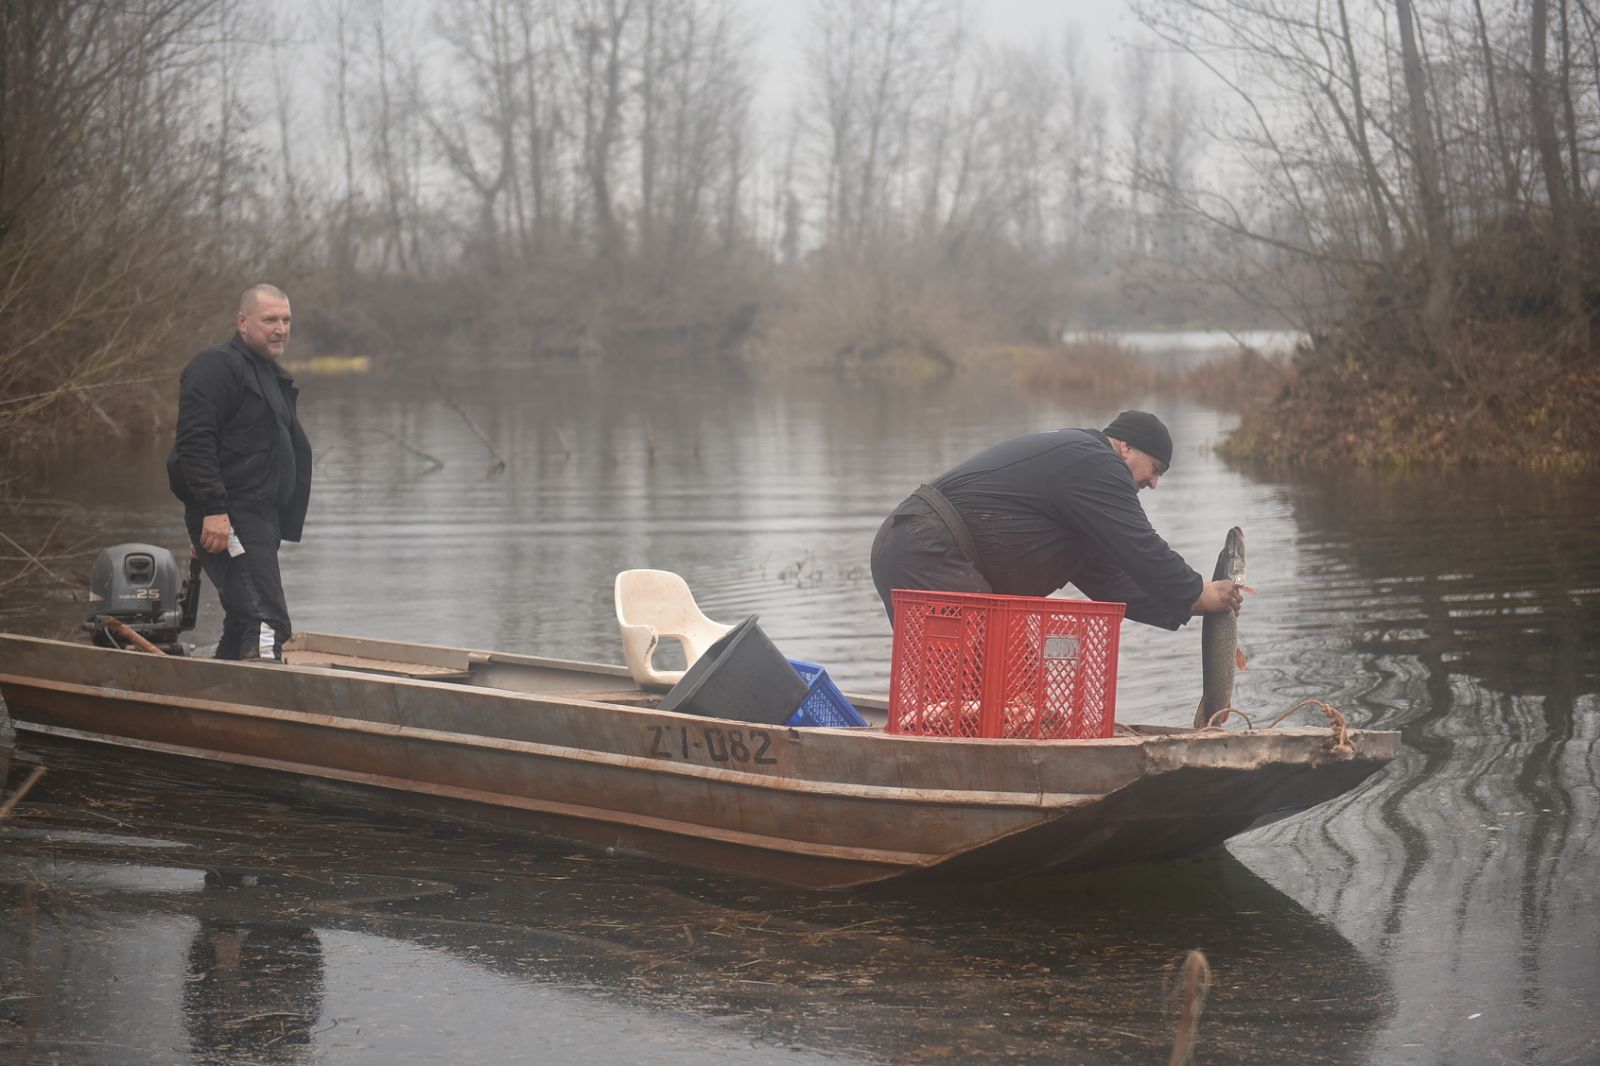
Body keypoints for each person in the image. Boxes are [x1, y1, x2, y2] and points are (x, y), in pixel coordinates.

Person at [869, 410, 1241, 628]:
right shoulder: (1097, 463)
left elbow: (1111, 583)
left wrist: (1186, 606)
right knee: (980, 675)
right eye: (1155, 468)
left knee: (1009, 678)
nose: (1154, 482)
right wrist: (1196, 589)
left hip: (919, 546)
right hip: (925, 546)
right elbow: (1140, 545)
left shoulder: (1083, 491)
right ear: (1126, 446)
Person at [167, 284, 312, 660]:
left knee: (242, 617)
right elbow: (194, 441)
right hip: (230, 518)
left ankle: (216, 689)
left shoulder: (269, 374)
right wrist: (211, 511)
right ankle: (265, 690)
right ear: (242, 322)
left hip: (260, 519)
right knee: (267, 621)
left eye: (286, 320)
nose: (280, 329)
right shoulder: (215, 366)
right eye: (270, 320)